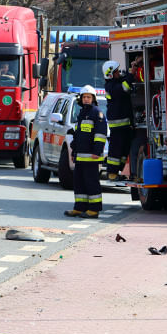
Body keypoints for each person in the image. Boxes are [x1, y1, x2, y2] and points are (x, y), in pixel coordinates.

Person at [64, 85, 107, 219]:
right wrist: (73, 151)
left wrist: (97, 151)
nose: (86, 99)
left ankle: (94, 210)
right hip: (80, 156)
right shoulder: (82, 113)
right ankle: (79, 208)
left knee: (91, 182)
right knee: (79, 182)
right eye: (84, 97)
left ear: (93, 98)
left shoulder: (97, 113)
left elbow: (100, 134)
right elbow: (78, 135)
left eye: (88, 97)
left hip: (91, 156)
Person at [102, 60, 135, 181]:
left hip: (125, 124)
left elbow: (123, 80)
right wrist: (132, 73)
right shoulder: (110, 86)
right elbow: (124, 87)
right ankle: (112, 173)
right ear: (110, 74)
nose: (118, 73)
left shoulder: (115, 82)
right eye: (116, 71)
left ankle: (118, 171)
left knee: (124, 148)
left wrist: (131, 70)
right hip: (117, 125)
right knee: (116, 149)